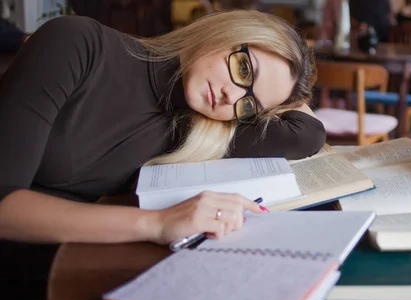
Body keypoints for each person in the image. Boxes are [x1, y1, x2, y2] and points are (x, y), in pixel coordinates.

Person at [0, 10, 324, 246]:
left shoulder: (194, 129)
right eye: (243, 69)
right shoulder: (77, 43)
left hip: (60, 264)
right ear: (224, 32)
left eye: (250, 104)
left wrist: (288, 95)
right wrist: (157, 224)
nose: (231, 95)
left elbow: (306, 134)